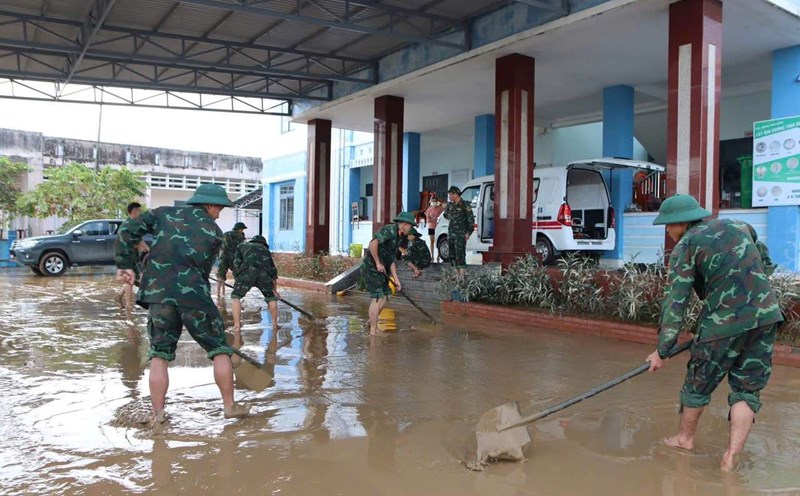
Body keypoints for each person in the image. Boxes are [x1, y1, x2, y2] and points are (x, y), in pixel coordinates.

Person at [645, 194, 782, 472]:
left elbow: (676, 302)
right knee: (746, 390)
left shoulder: (687, 245)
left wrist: (663, 349)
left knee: (697, 384)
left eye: (668, 226)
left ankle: (684, 440)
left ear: (681, 222)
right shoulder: (739, 225)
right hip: (766, 317)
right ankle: (730, 457)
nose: (668, 232)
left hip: (723, 323)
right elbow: (765, 261)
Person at [116, 184, 250, 423]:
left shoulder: (162, 213)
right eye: (219, 208)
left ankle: (157, 415)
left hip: (158, 297)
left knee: (159, 355)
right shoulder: (214, 232)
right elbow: (203, 268)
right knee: (219, 349)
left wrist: (126, 264)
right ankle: (229, 406)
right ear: (208, 205)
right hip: (194, 297)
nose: (219, 213)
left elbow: (127, 230)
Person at [361, 211, 415, 335]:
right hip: (371, 268)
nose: (410, 229)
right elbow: (372, 244)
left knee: (387, 295)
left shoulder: (398, 237)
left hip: (383, 269)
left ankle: (371, 320)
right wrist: (378, 263)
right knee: (377, 297)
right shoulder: (389, 230)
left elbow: (391, 260)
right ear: (405, 225)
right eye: (410, 226)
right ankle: (373, 331)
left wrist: (396, 279)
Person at [231, 235, 280, 334]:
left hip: (246, 273)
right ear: (263, 244)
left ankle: (236, 326)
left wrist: (238, 279)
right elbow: (273, 272)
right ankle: (275, 325)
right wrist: (275, 291)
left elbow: (236, 264)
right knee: (271, 298)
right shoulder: (266, 251)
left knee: (235, 297)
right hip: (264, 275)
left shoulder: (242, 246)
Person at [114, 202, 149, 313]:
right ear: (134, 212)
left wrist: (144, 248)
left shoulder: (131, 223)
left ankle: (119, 296)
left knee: (133, 279)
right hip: (125, 256)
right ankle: (129, 306)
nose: (140, 213)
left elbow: (136, 240)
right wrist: (147, 249)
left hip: (131, 255)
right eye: (139, 211)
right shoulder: (129, 224)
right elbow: (137, 241)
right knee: (129, 280)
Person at [443, 186, 474, 276]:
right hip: (451, 234)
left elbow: (470, 220)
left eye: (451, 194)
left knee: (460, 255)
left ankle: (462, 277)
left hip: (460, 234)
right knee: (452, 255)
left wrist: (468, 232)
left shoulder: (465, 205)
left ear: (457, 194)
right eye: (449, 194)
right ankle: (457, 275)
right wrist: (444, 208)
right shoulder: (450, 205)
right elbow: (446, 216)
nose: (450, 196)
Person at [217, 221, 247, 299]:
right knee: (237, 274)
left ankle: (219, 293)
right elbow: (241, 248)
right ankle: (237, 292)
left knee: (221, 274)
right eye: (242, 229)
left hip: (223, 256)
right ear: (240, 229)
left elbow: (220, 244)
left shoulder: (226, 234)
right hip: (234, 257)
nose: (242, 231)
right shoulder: (241, 237)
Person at [425, 195, 444, 260]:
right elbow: (427, 218)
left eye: (434, 201)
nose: (433, 202)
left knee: (438, 241)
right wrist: (431, 219)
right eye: (432, 201)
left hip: (438, 226)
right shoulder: (429, 209)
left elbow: (443, 216)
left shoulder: (441, 208)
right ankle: (432, 255)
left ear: (437, 201)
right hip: (431, 227)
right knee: (432, 241)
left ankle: (438, 255)